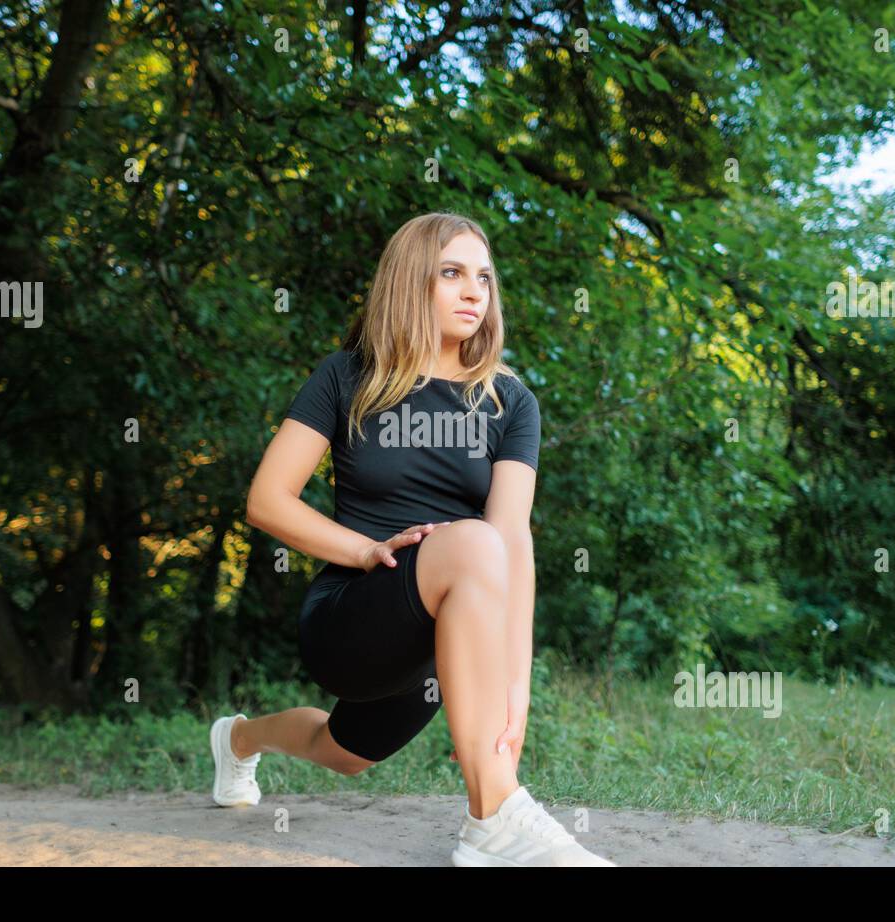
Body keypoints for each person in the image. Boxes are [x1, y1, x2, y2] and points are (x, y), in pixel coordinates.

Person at [210, 211, 615, 866]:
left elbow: (515, 539)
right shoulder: (346, 377)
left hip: (440, 640)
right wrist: (363, 550)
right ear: (409, 282)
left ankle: (236, 740)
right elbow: (267, 499)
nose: (473, 291)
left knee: (342, 754)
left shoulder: (510, 401)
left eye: (483, 276)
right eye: (451, 273)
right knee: (475, 542)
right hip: (352, 614)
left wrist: (516, 689)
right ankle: (494, 822)